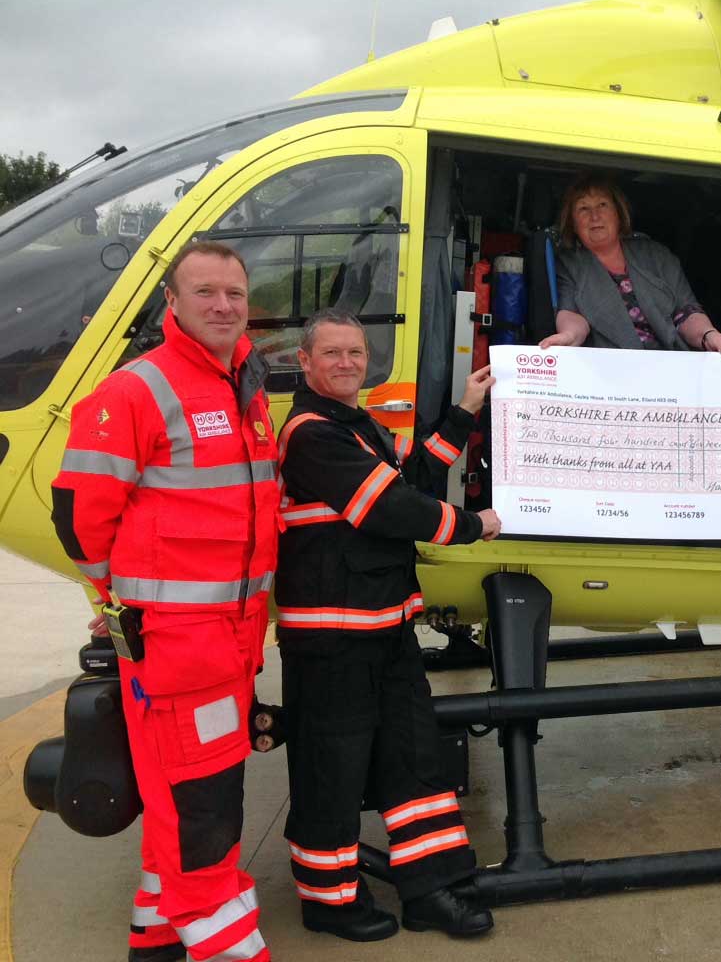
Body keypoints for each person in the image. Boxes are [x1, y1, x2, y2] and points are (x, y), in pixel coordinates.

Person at [51, 241, 277, 962]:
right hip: (178, 645)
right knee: (200, 812)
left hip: (230, 642)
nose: (222, 306)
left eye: (234, 294)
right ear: (172, 303)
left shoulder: (245, 388)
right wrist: (117, 600)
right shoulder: (136, 391)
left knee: (191, 795)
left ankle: (155, 940)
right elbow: (80, 517)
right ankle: (227, 945)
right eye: (205, 292)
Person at [274, 309, 503, 942]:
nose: (346, 363)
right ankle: (328, 900)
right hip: (331, 642)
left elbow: (414, 476)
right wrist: (471, 525)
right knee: (332, 767)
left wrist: (464, 410)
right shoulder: (309, 433)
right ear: (305, 361)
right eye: (332, 353)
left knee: (413, 762)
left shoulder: (358, 425)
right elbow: (389, 506)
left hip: (385, 631)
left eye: (355, 353)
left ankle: (431, 889)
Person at [538, 173, 721, 352]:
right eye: (583, 208)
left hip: (672, 365)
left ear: (618, 213)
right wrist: (568, 336)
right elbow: (571, 315)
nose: (595, 216)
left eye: (602, 205)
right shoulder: (569, 265)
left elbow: (686, 311)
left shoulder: (656, 254)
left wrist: (709, 335)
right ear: (572, 222)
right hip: (610, 372)